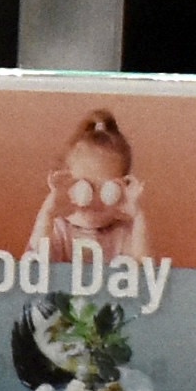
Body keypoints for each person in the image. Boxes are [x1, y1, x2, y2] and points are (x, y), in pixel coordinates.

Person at [26, 106, 147, 271]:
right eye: (85, 188)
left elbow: (144, 273)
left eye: (106, 190)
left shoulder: (123, 233)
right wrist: (48, 212)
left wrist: (138, 217)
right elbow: (33, 266)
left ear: (122, 190)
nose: (95, 201)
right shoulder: (59, 230)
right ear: (68, 186)